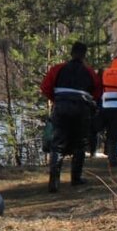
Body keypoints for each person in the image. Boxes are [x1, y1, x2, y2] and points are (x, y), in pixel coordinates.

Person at [40, 41, 101, 192]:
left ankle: (54, 182)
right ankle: (76, 178)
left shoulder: (58, 69)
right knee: (79, 144)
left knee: (58, 145)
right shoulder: (89, 72)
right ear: (84, 55)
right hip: (81, 109)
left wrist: (56, 100)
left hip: (62, 108)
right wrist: (89, 103)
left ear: (71, 53)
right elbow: (98, 91)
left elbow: (45, 87)